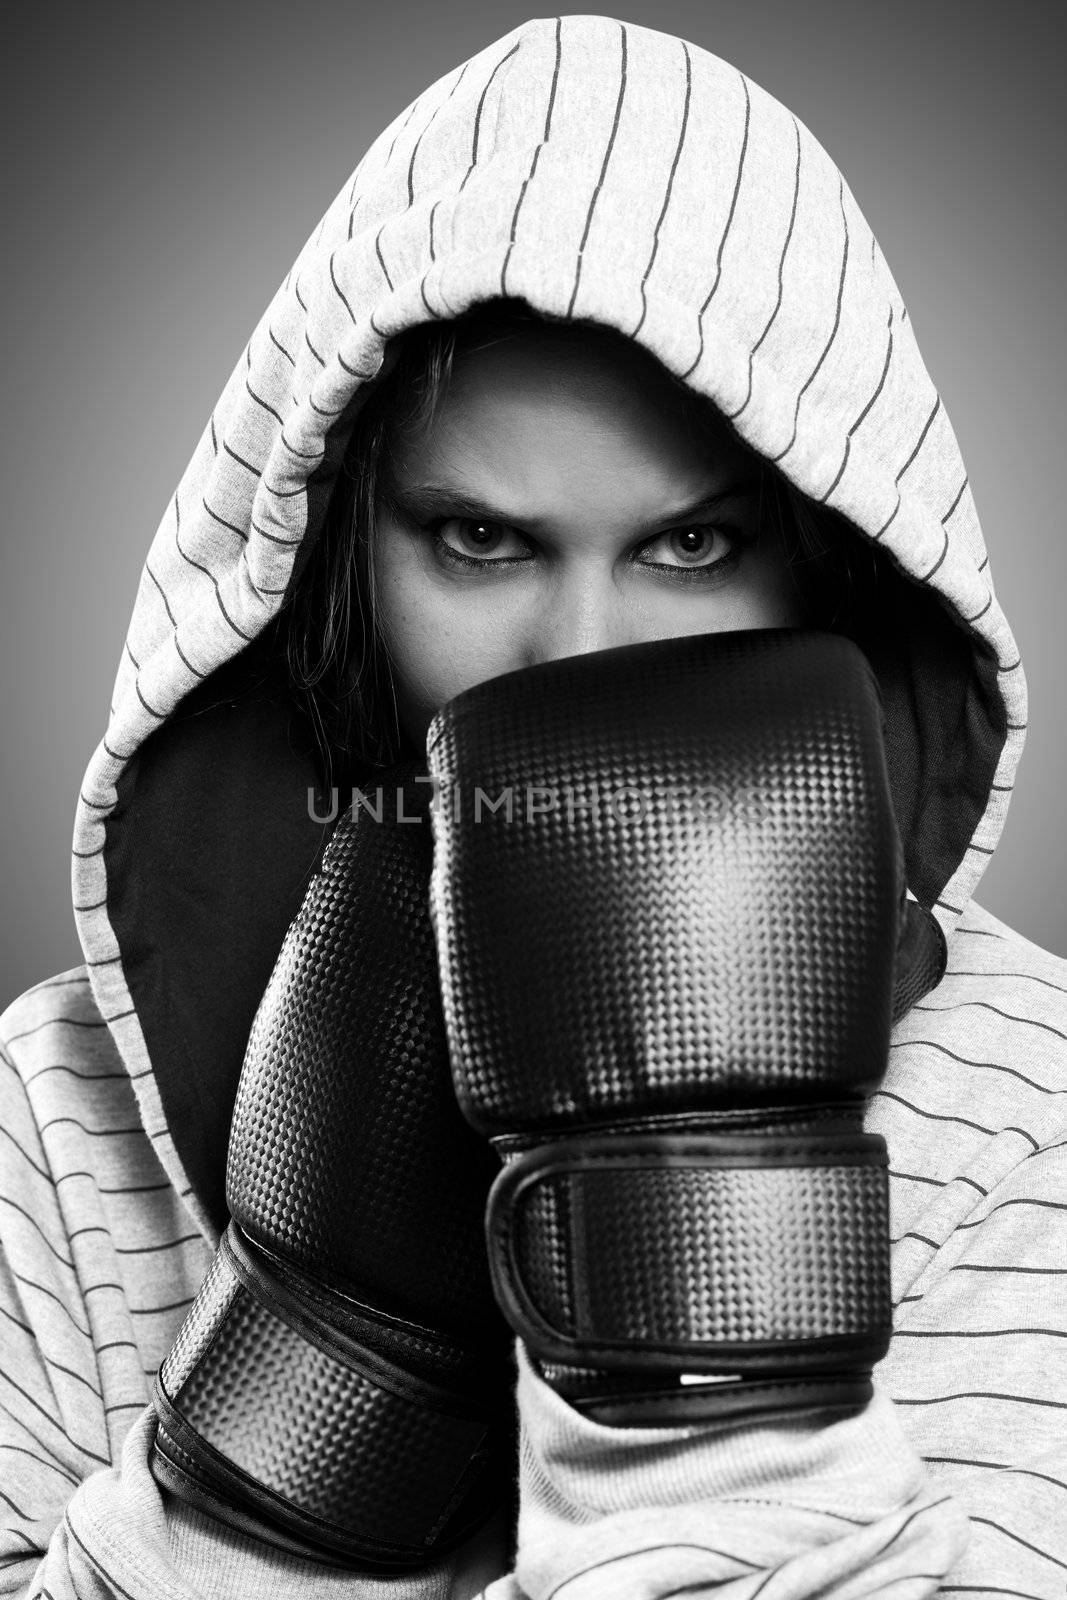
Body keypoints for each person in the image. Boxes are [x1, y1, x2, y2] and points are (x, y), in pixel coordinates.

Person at [1, 13, 1064, 1597]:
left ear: (837, 576)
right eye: (482, 545)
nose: (581, 658)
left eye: (690, 550)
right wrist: (305, 1409)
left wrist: (702, 1329)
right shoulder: (59, 1098)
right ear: (335, 570)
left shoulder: (1030, 1106)